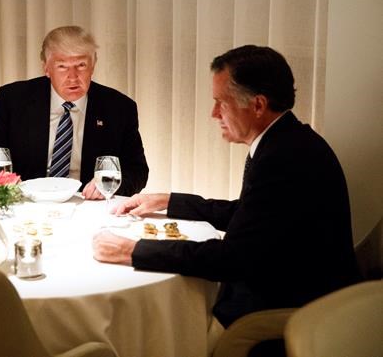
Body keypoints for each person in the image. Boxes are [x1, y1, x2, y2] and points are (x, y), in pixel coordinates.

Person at [92, 45, 361, 356]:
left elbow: (232, 259)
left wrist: (132, 250)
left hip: (288, 310)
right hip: (296, 290)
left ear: (257, 105)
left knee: (151, 331)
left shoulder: (283, 159)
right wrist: (168, 201)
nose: (214, 114)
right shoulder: (287, 141)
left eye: (221, 103)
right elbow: (250, 215)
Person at [0, 25, 149, 198]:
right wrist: (5, 182)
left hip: (89, 204)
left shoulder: (119, 107)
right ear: (46, 68)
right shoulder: (13, 100)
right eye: (62, 66)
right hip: (28, 202)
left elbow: (137, 171)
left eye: (81, 65)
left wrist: (107, 187)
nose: (73, 77)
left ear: (93, 65)